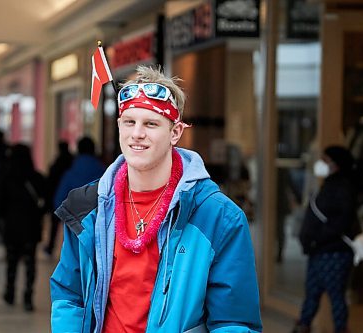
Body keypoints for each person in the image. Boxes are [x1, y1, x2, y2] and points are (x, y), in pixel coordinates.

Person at [50, 66, 262, 332]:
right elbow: (70, 295)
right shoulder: (87, 207)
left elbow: (234, 321)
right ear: (119, 126)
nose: (137, 133)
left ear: (175, 133)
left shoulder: (219, 217)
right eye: (130, 122)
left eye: (151, 123)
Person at [294, 146, 358, 333]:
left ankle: (340, 328)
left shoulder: (343, 188)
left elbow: (342, 221)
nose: (320, 164)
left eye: (324, 159)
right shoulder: (329, 185)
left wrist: (316, 239)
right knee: (312, 294)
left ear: (335, 165)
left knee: (336, 295)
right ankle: (303, 325)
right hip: (319, 251)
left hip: (333, 252)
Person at [0, 144, 48, 312]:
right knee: (30, 262)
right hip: (31, 228)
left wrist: (2, 222)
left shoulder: (6, 178)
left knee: (12, 261)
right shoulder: (36, 177)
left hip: (12, 227)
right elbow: (46, 201)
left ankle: (10, 292)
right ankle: (28, 297)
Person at [43, 141, 73, 256]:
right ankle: (69, 252)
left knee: (54, 225)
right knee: (72, 227)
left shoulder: (57, 163)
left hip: (57, 196)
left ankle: (51, 248)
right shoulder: (72, 161)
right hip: (71, 198)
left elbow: (50, 181)